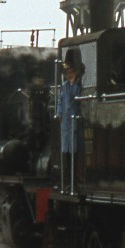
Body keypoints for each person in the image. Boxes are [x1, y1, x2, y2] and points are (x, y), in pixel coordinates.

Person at [58, 57, 83, 191]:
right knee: (66, 151)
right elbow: (60, 100)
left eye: (70, 72)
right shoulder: (64, 86)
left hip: (75, 120)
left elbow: (77, 99)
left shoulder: (78, 85)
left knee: (74, 150)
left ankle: (75, 180)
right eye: (67, 73)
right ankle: (68, 180)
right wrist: (59, 113)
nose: (69, 75)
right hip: (66, 122)